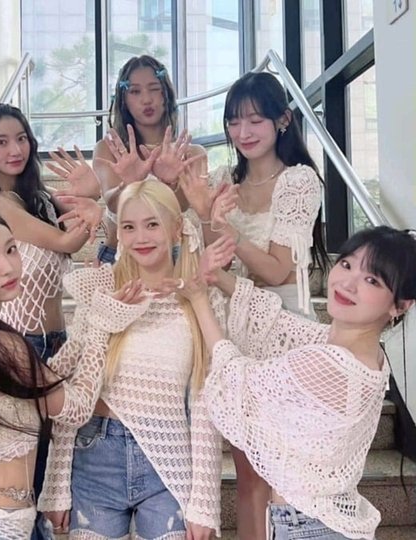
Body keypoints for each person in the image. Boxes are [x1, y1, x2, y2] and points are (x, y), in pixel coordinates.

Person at [176, 226, 416, 540]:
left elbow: (237, 379)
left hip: (309, 529)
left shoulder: (330, 364)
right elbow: (280, 322)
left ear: (400, 305)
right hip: (316, 524)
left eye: (372, 280)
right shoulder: (363, 355)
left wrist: (199, 301)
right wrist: (220, 279)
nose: (348, 283)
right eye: (346, 264)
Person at [179, 70, 329, 539]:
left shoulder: (299, 181)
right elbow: (213, 263)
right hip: (234, 332)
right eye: (234, 121)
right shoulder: (224, 180)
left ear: (282, 120)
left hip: (284, 333)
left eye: (255, 120)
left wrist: (225, 228)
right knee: (247, 477)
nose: (243, 132)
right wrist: (203, 214)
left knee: (282, 473)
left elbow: (278, 270)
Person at [38, 179, 224, 539]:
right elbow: (71, 384)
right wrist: (56, 484)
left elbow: (206, 402)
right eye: (128, 226)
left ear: (176, 228)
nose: (140, 237)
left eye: (152, 224)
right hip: (95, 453)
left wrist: (204, 502)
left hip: (168, 460)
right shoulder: (101, 287)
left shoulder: (200, 297)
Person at [0, 103, 103, 539]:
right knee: (31, 470)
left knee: (51, 467)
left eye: (21, 138)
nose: (15, 149)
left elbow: (97, 229)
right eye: (1, 141)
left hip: (55, 339)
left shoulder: (35, 197)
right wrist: (92, 206)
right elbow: (68, 240)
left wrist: (94, 199)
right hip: (23, 341)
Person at [0, 205, 112, 539]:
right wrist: (99, 321)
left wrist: (82, 327)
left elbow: (38, 386)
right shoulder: (4, 346)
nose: (7, 266)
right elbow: (75, 408)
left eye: (11, 249)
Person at [51, 54, 205, 265]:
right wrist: (130, 183)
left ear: (166, 94)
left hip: (174, 258)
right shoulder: (109, 149)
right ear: (124, 99)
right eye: (135, 91)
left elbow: (182, 206)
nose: (146, 99)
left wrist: (169, 182)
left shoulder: (190, 152)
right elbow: (114, 204)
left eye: (154, 89)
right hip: (118, 256)